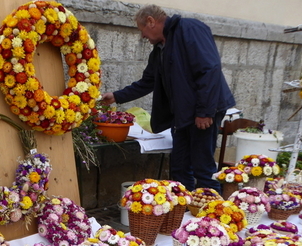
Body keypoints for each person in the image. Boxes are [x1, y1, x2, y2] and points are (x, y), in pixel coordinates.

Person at [101, 4, 235, 192]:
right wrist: (116, 96)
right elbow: (147, 82)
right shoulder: (159, 50)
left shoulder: (189, 29)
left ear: (151, 21)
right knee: (179, 167)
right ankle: (184, 211)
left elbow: (209, 70)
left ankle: (213, 215)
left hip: (204, 111)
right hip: (181, 115)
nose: (143, 36)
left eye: (142, 30)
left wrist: (205, 111)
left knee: (202, 168)